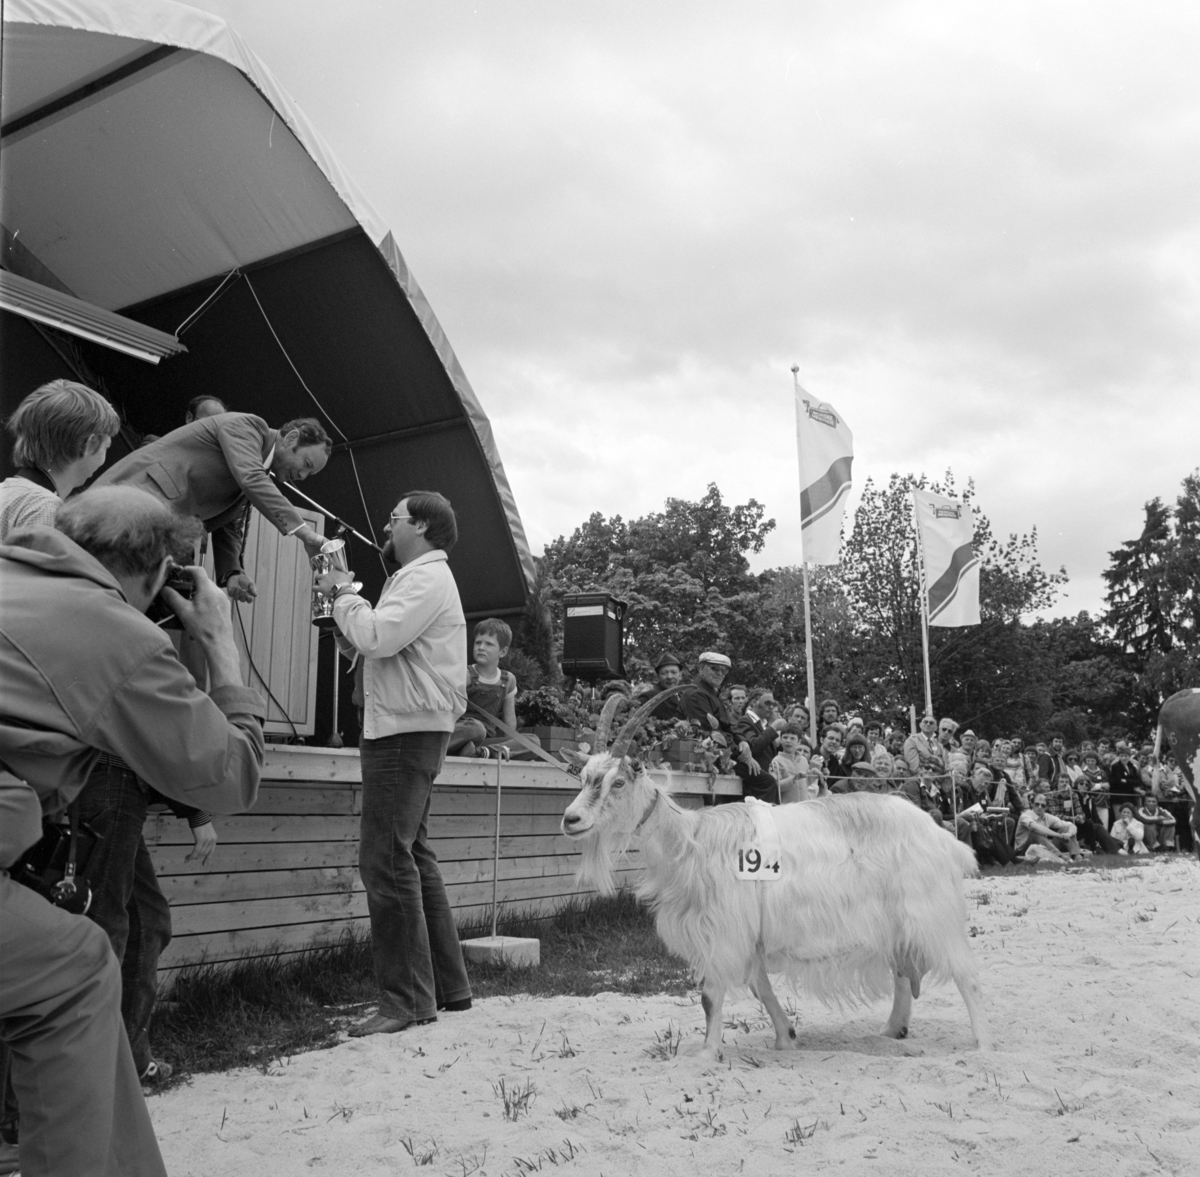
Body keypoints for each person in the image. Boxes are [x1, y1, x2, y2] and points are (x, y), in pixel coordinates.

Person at [0, 485, 266, 1177]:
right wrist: (218, 644)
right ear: (157, 574)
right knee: (79, 969)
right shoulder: (118, 635)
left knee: (70, 954)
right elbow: (228, 776)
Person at [316, 490, 472, 1036]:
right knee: (413, 856)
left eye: (395, 517)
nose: (386, 523)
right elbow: (378, 645)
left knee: (385, 858)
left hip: (404, 732)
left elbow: (378, 637)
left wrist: (341, 592)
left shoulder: (426, 577)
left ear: (423, 526)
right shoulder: (416, 578)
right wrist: (344, 618)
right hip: (411, 726)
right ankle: (447, 988)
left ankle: (404, 1000)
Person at [95, 412, 332, 602]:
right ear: (290, 439)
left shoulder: (255, 472)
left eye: (310, 473)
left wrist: (233, 572)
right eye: (306, 464)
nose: (302, 475)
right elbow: (251, 478)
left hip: (151, 535)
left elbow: (228, 522)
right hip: (127, 507)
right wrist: (305, 533)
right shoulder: (248, 427)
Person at [0, 380, 121, 536]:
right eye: (106, 447)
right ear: (90, 444)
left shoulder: (7, 491)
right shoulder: (44, 506)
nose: (104, 457)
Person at [447, 618, 519, 759]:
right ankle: (455, 749)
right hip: (466, 733)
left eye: (489, 644)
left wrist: (511, 743)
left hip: (486, 742)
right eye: (478, 642)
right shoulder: (466, 675)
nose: (481, 647)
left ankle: (484, 753)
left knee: (533, 741)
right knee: (477, 728)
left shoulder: (508, 680)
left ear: (502, 652)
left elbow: (509, 723)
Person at [732, 689, 783, 803]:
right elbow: (752, 746)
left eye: (773, 704)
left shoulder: (763, 724)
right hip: (755, 788)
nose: (771, 707)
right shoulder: (744, 721)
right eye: (767, 703)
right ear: (754, 702)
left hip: (766, 784)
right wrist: (773, 728)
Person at [1016, 793, 1083, 863]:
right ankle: (1061, 857)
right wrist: (1060, 836)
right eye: (1037, 804)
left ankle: (1078, 857)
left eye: (1043, 805)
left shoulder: (1047, 816)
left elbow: (1071, 825)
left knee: (1065, 828)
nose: (1039, 807)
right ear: (1032, 804)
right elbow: (1036, 828)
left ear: (1046, 807)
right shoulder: (1025, 815)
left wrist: (1068, 834)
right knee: (1035, 833)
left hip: (1043, 847)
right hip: (1024, 850)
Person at [770, 724, 811, 803]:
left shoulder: (804, 760)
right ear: (781, 740)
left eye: (792, 738)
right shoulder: (776, 761)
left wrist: (815, 774)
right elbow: (775, 787)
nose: (788, 741)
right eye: (785, 737)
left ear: (798, 742)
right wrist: (793, 779)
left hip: (803, 806)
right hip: (787, 808)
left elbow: (806, 783)